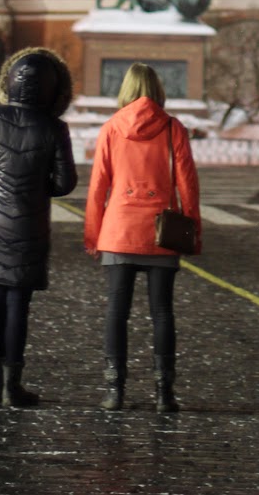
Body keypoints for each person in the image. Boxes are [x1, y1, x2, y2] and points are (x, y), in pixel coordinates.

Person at [0, 48, 77, 408]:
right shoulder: (55, 128)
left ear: (9, 82)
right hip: (31, 226)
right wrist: (37, 185)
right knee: (18, 307)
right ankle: (13, 386)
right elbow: (66, 182)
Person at [84, 62, 201, 414]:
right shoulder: (172, 128)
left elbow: (98, 185)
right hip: (161, 231)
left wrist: (93, 234)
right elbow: (187, 184)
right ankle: (164, 392)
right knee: (162, 313)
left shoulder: (111, 128)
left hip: (119, 230)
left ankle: (114, 390)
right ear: (157, 88)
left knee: (116, 312)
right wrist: (192, 231)